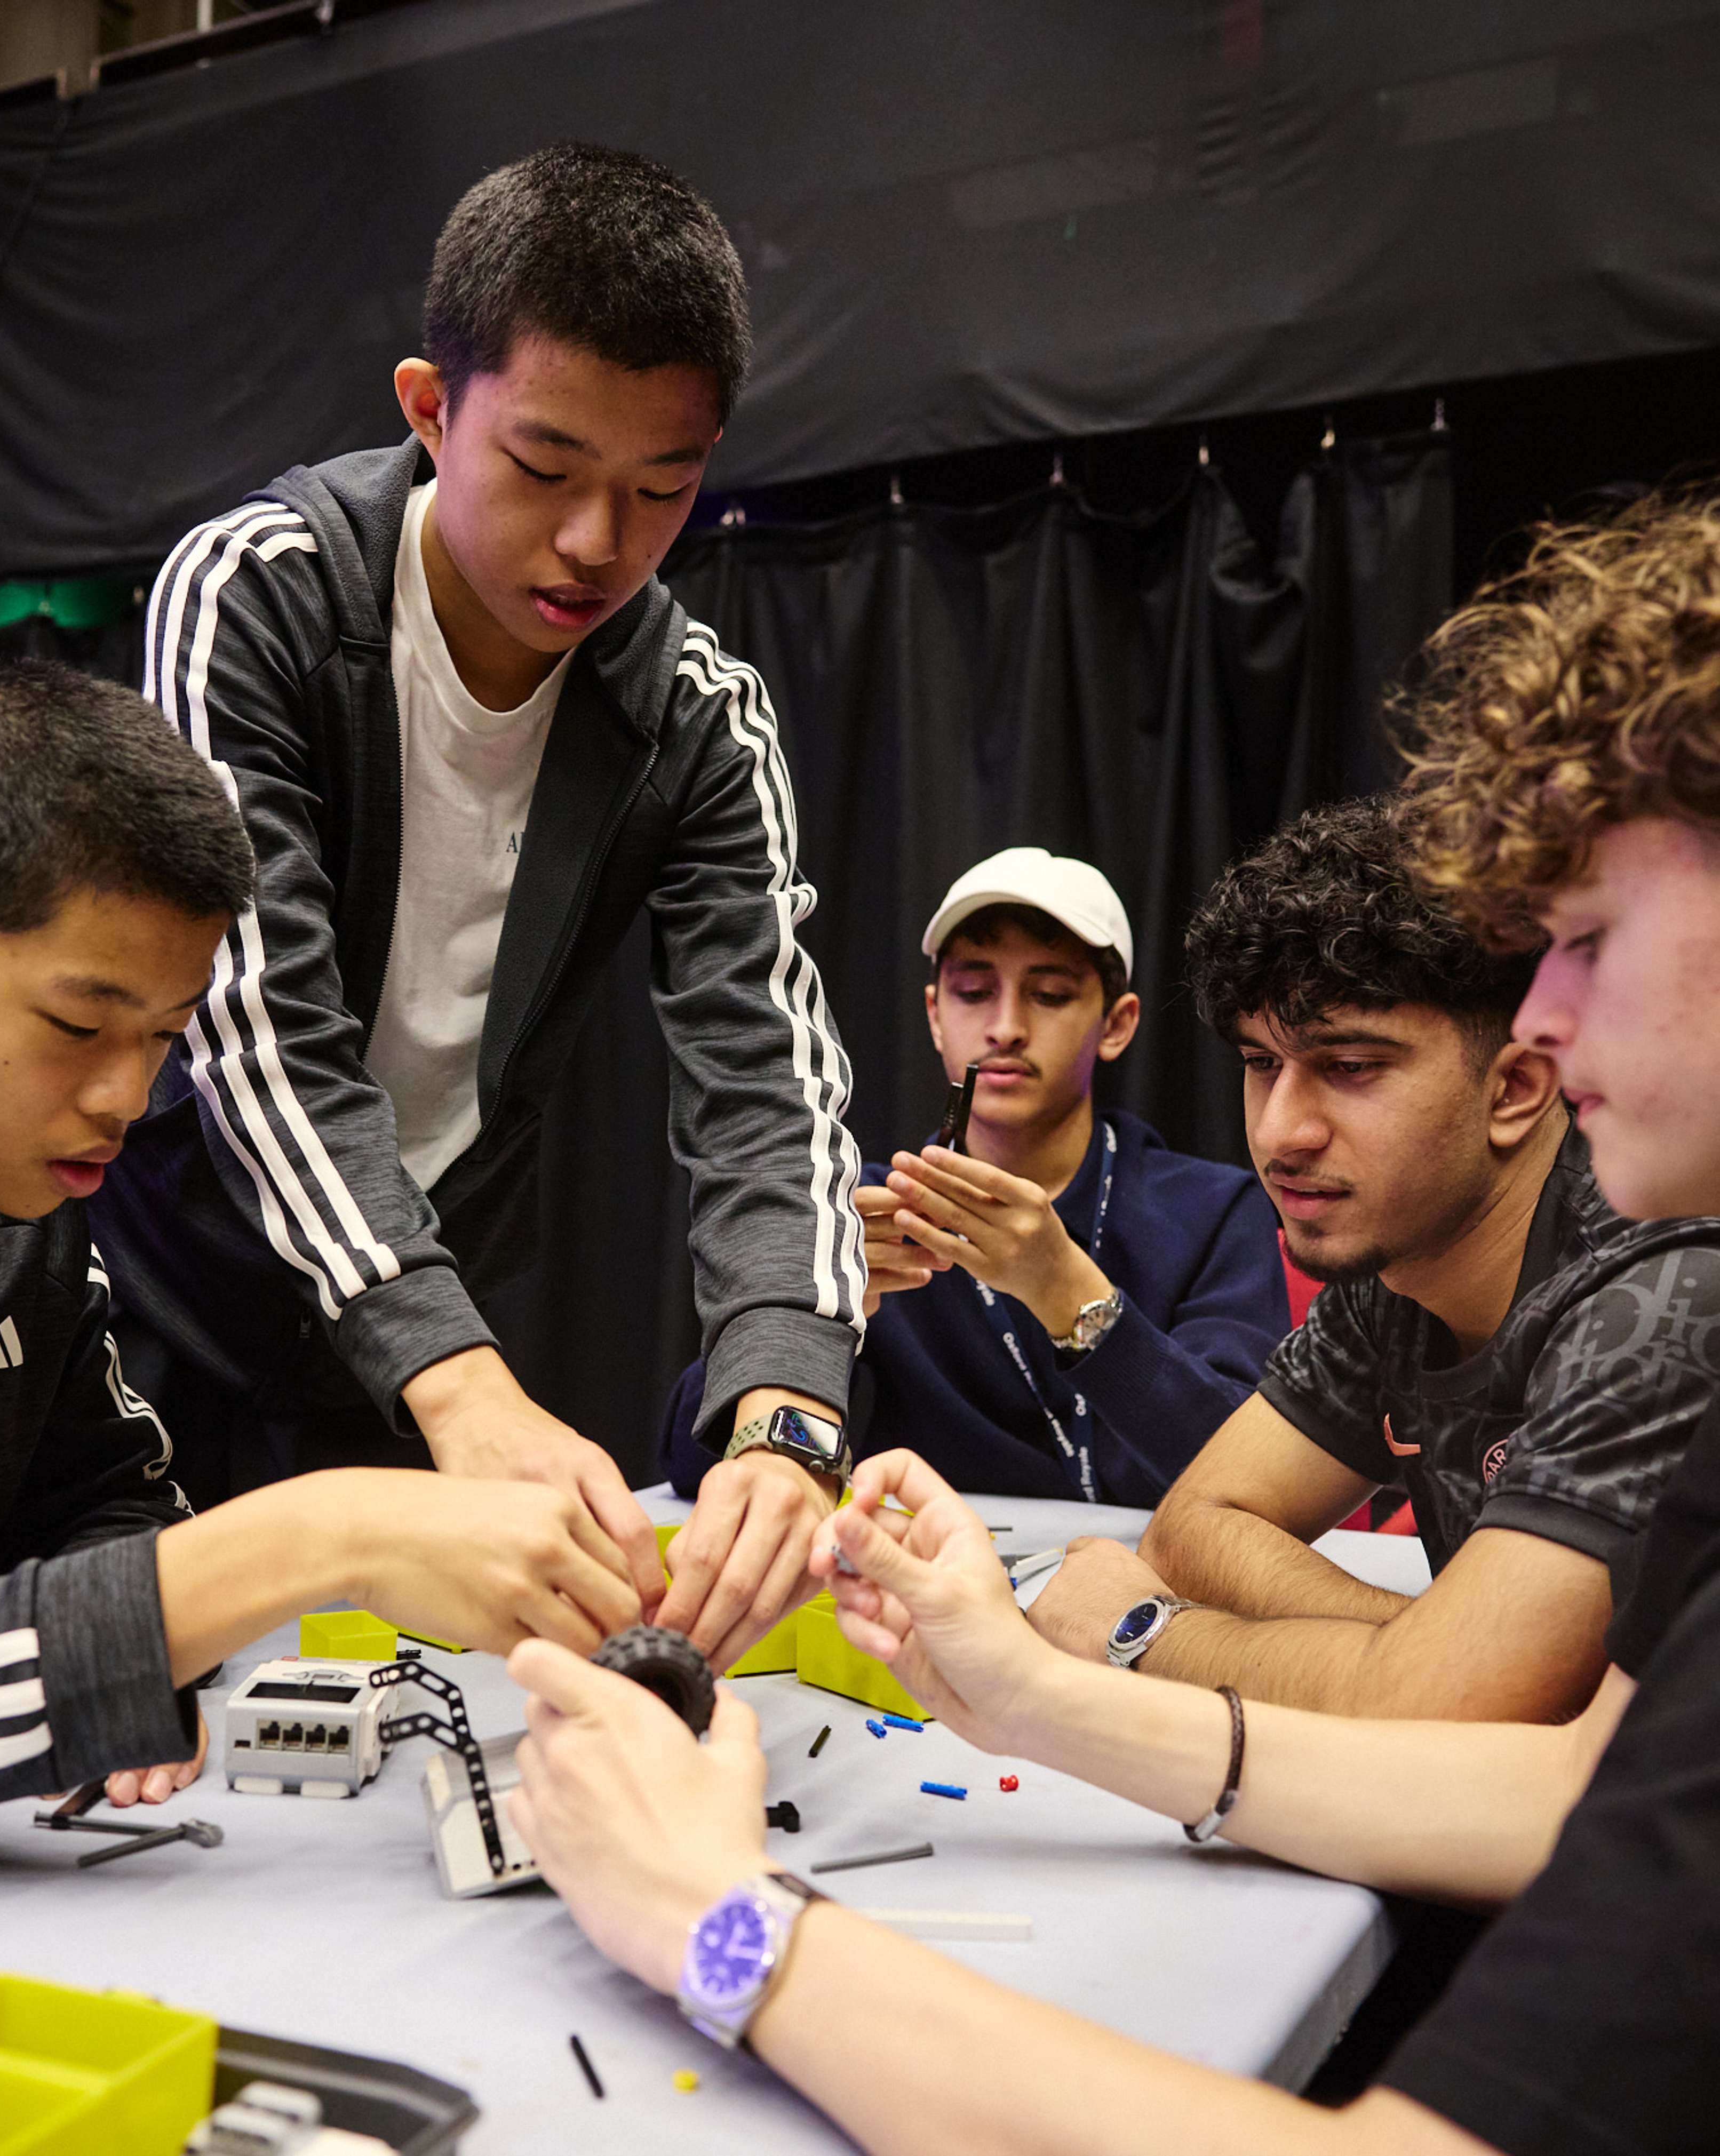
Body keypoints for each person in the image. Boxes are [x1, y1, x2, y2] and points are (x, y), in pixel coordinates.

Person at [498, 493, 1720, 2155]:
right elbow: (1547, 1766)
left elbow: (1423, 1703)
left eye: (1577, 940)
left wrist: (718, 1923)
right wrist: (1018, 1678)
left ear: (1106, 1017)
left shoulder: (1649, 1284)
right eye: (1264, 1067)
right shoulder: (1346, 1265)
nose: (1549, 1009)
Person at [93, 143, 864, 1676]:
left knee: (388, 1765)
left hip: (422, 1329)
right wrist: (461, 1381)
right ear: (431, 409)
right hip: (155, 1311)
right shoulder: (258, 593)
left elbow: (768, 1081)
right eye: (548, 468)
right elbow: (261, 1030)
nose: (599, 544)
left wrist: (786, 1411)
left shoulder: (700, 718)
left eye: (664, 488)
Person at [0, 662, 640, 1879]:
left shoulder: (9, 1181)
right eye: (80, 1025)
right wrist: (324, 1530)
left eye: (166, 1037)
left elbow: (108, 1507)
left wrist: (101, 1677)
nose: (127, 1097)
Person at [1030, 795, 1720, 1720]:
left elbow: (1474, 1709)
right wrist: (1429, 1645)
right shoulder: (1399, 1263)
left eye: (1350, 1067)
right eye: (1261, 1063)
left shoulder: (1653, 1285)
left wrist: (1149, 1634)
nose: (1281, 1134)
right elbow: (1198, 1525)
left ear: (1515, 1086)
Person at [662, 848, 1287, 1504]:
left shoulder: (1213, 1209)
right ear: (935, 1014)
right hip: (924, 1589)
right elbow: (688, 1462)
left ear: (1118, 1023)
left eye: (1050, 994)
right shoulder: (860, 1217)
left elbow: (1254, 1477)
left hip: (1151, 1589)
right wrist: (817, 1330)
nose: (1006, 1028)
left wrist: (1070, 1295)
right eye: (973, 992)